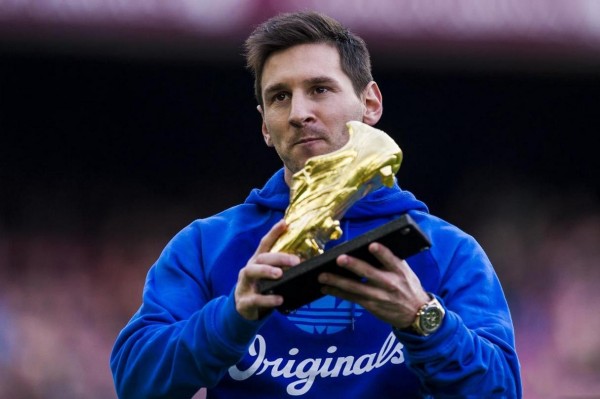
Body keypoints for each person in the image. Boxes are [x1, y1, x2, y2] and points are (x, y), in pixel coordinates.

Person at [110, 11, 522, 398]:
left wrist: (423, 318)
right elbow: (135, 381)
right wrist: (231, 317)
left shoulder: (447, 250)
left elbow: (502, 390)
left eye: (319, 89)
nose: (299, 113)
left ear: (370, 103)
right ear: (265, 127)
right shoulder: (206, 244)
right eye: (279, 97)